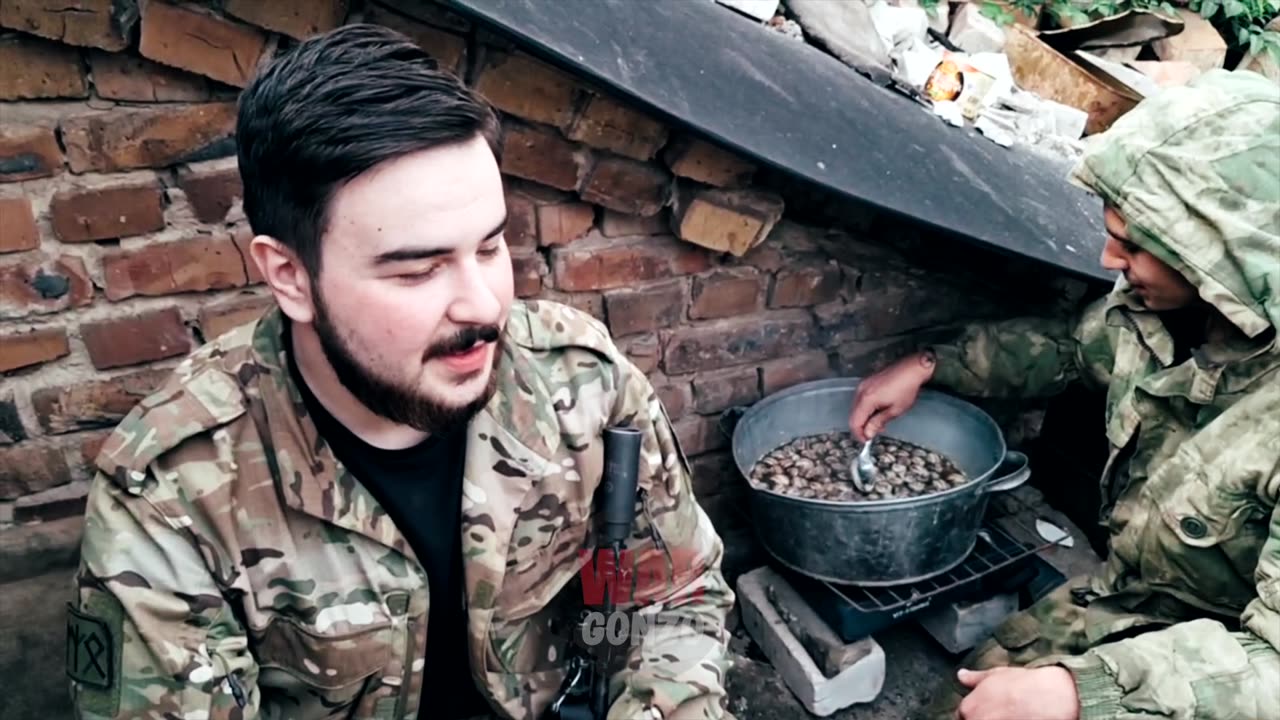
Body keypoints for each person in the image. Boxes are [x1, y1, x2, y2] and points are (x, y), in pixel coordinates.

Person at [65, 24, 734, 720]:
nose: (483, 304)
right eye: (418, 270)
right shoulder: (173, 492)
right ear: (290, 277)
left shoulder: (581, 385)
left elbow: (667, 598)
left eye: (491, 246)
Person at [849, 69, 1279, 720]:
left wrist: (1085, 694)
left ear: (1221, 255)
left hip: (1213, 677)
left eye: (1133, 244)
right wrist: (931, 365)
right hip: (1123, 603)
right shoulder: (1162, 310)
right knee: (959, 703)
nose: (1108, 258)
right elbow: (1076, 348)